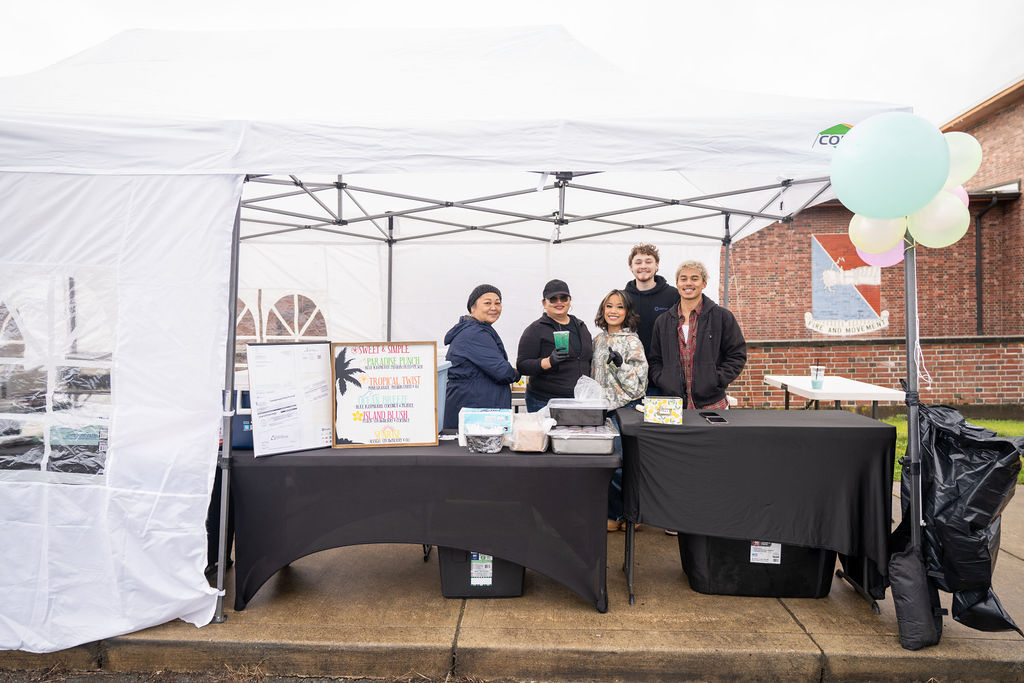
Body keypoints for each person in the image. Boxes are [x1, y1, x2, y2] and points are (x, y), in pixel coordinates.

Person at [649, 260, 746, 411]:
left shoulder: (722, 317)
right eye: (683, 279)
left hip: (713, 404)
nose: (688, 283)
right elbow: (655, 359)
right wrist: (664, 380)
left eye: (694, 278)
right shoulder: (663, 321)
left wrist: (715, 380)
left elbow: (737, 356)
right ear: (677, 284)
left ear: (704, 284)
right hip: (674, 405)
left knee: (714, 436)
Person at [591, 289, 648, 532]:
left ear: (627, 312)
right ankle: (615, 513)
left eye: (619, 307)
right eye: (609, 306)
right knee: (607, 466)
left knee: (622, 465)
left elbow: (639, 384)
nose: (613, 311)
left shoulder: (632, 341)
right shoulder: (598, 339)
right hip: (600, 411)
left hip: (624, 409)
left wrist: (621, 364)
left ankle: (629, 516)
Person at [442, 284, 519, 430]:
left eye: (497, 303)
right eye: (487, 303)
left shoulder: (479, 330)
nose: (494, 307)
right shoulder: (474, 333)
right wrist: (515, 373)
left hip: (476, 408)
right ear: (472, 308)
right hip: (476, 413)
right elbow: (502, 371)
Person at [516, 279, 593, 413]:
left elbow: (587, 358)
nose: (559, 302)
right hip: (544, 401)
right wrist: (548, 362)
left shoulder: (580, 326)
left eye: (563, 298)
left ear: (569, 300)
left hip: (578, 401)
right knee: (544, 435)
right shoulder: (535, 329)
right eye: (553, 299)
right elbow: (522, 365)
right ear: (544, 303)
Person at [623, 244, 679, 395]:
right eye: (638, 262)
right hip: (630, 378)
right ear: (631, 267)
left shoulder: (674, 296)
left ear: (657, 265)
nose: (643, 266)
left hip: (664, 378)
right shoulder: (622, 298)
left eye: (648, 261)